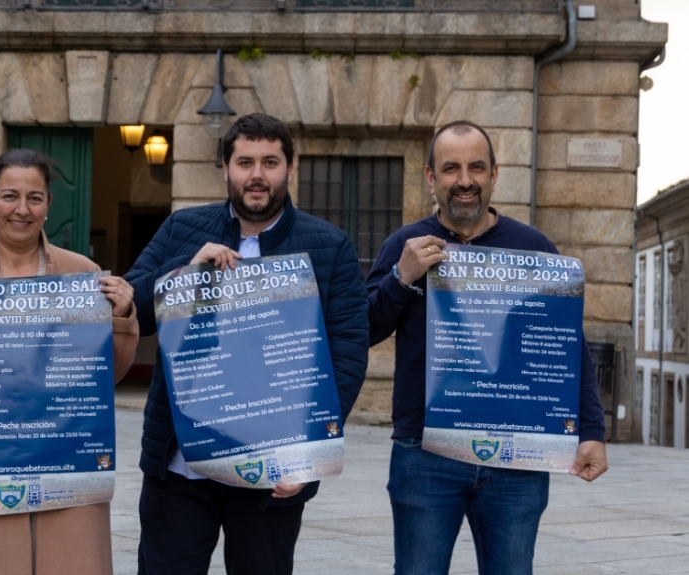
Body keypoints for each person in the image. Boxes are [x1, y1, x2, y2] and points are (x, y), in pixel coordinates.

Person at [123, 113, 369, 575]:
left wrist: (308, 453)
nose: (257, 176)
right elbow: (133, 304)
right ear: (226, 168)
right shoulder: (182, 229)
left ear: (289, 169)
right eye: (245, 162)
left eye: (270, 162)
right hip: (180, 463)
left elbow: (347, 353)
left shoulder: (330, 246)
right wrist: (185, 273)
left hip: (272, 463)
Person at [366, 120, 608, 575]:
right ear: (430, 177)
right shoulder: (405, 244)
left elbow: (567, 348)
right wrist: (401, 277)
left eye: (476, 167)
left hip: (518, 454)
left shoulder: (533, 248)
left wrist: (591, 430)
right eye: (451, 168)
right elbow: (365, 329)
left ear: (494, 174)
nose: (465, 180)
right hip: (425, 451)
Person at [0, 149, 140, 575]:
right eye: (9, 196)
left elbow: (105, 376)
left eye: (35, 197)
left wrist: (121, 316)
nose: (22, 209)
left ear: (49, 205)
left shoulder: (82, 275)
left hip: (67, 467)